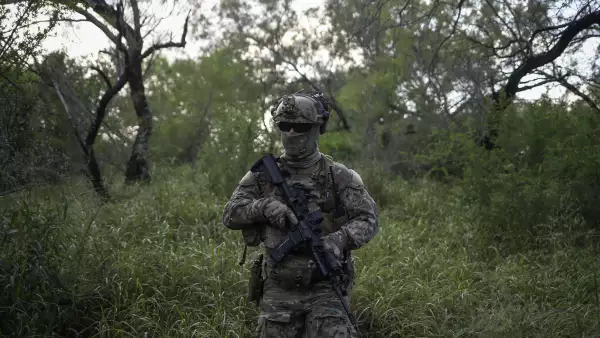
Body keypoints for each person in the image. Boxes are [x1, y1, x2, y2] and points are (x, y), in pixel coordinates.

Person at [222, 91, 379, 337]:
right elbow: (230, 214)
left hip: (325, 287)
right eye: (285, 126)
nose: (292, 133)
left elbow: (368, 219)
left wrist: (337, 241)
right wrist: (263, 207)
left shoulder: (338, 176)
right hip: (279, 290)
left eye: (300, 127)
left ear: (318, 128)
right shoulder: (262, 175)